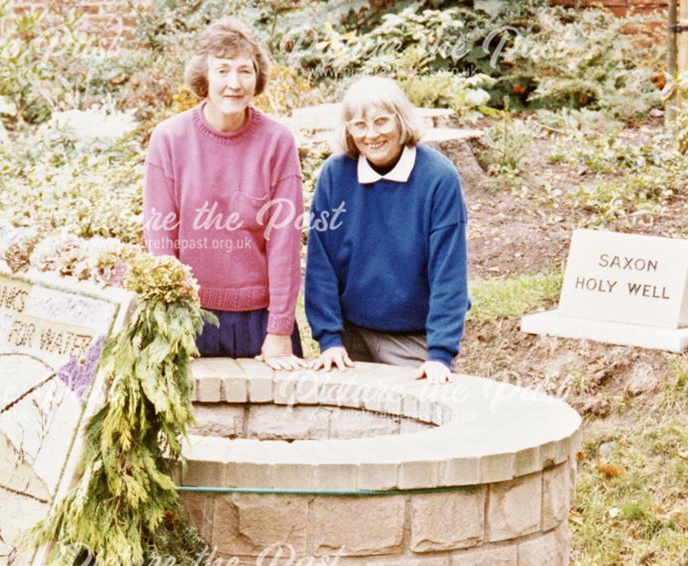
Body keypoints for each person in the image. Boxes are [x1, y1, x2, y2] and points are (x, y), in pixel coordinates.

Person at [143, 18, 305, 370]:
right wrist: (169, 321)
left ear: (257, 78)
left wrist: (279, 328)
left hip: (259, 321)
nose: (234, 83)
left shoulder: (278, 142)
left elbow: (285, 242)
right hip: (189, 318)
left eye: (245, 71)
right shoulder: (169, 139)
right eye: (223, 71)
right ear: (205, 78)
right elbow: (160, 240)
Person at [304, 76, 470, 384]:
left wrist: (440, 354)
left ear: (401, 121)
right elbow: (320, 264)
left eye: (381, 121)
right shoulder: (334, 175)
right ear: (349, 130)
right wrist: (329, 339)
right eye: (359, 125)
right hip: (351, 336)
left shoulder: (438, 178)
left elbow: (449, 273)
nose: (371, 135)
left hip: (414, 339)